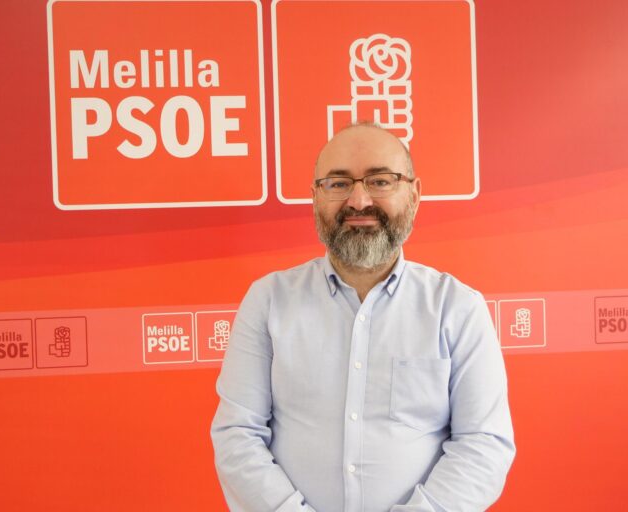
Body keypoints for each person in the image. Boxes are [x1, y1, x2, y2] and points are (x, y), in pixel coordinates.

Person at [211, 123, 515, 511]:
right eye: (338, 184)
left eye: (380, 181)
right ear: (315, 197)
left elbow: (484, 444)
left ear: (414, 194)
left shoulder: (457, 308)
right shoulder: (269, 300)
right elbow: (237, 434)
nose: (358, 201)